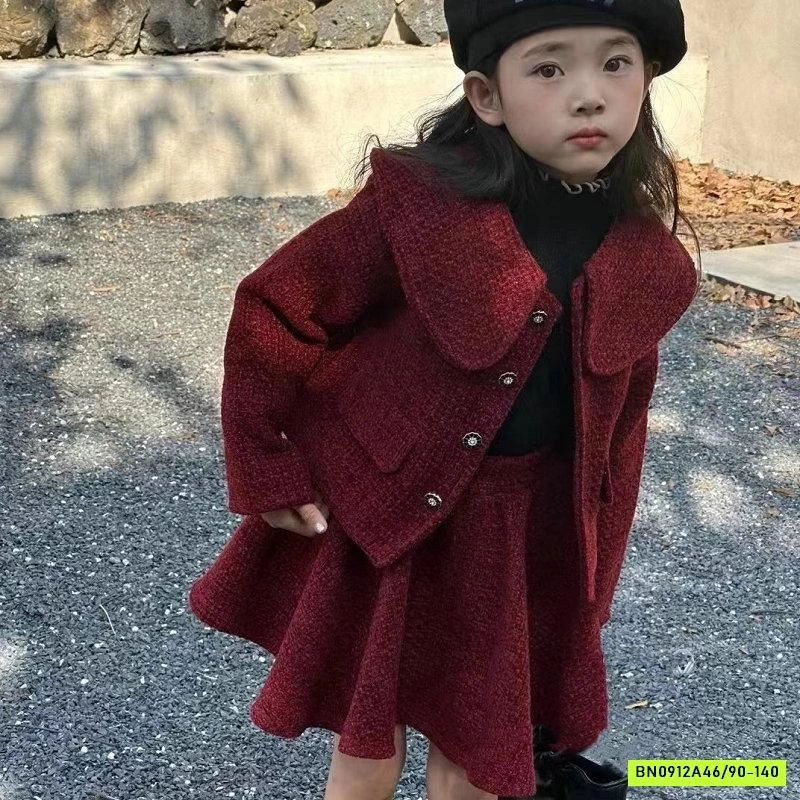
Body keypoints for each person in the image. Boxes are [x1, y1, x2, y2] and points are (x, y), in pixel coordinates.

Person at [187, 1, 702, 798]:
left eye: (616, 63)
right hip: (386, 515)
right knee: (371, 728)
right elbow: (277, 307)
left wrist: (591, 581)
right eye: (549, 68)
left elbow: (617, 441)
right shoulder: (419, 208)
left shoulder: (643, 258)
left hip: (516, 536)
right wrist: (265, 465)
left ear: (646, 80)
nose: (589, 94)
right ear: (486, 96)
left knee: (478, 742)